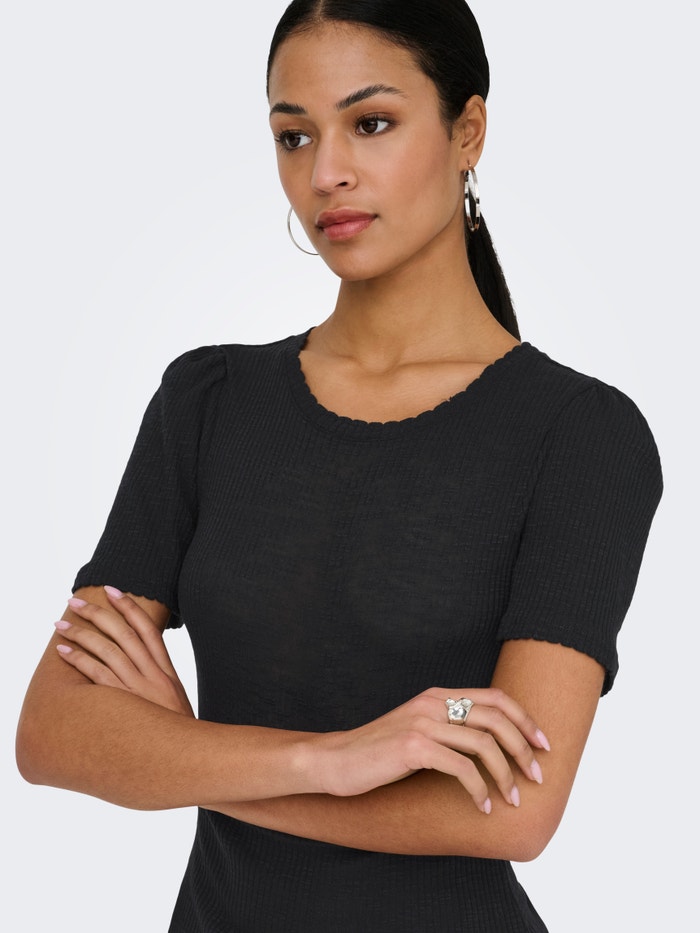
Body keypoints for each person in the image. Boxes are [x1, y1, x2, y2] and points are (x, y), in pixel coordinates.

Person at [16, 1, 663, 930]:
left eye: (372, 123)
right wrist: (331, 759)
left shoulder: (580, 437)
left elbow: (515, 812)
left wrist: (188, 752)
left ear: (468, 130)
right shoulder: (208, 403)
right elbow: (53, 731)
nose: (326, 173)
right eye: (294, 136)